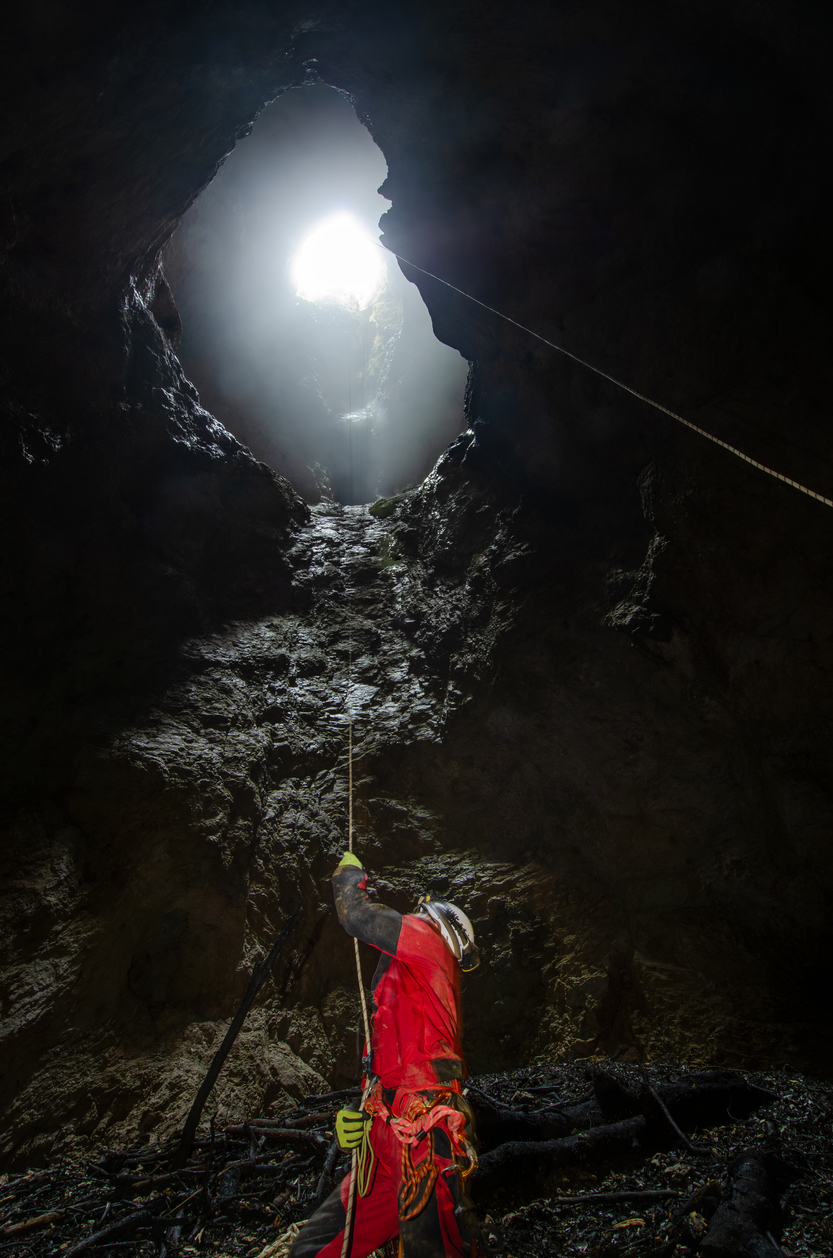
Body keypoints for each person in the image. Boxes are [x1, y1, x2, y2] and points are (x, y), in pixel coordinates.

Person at [289, 852, 488, 1258]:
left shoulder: (429, 942)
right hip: (390, 1131)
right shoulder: (418, 985)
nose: (412, 918)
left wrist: (349, 877)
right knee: (312, 1251)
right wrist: (363, 1115)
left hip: (423, 1131)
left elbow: (355, 916)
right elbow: (395, 1055)